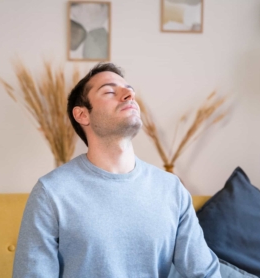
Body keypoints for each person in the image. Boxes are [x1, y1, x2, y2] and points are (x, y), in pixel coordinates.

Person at [12, 63, 221, 278]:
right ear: (82, 115)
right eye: (110, 91)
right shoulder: (51, 192)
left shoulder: (171, 189)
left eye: (130, 90)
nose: (129, 94)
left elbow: (205, 273)